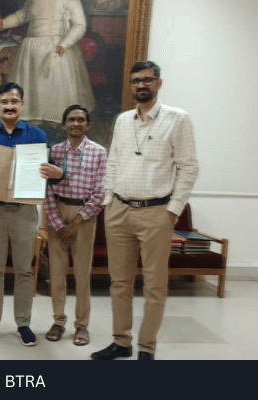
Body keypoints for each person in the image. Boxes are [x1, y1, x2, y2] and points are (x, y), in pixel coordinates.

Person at [90, 61, 198, 361]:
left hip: (156, 212)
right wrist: (108, 200)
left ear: (158, 83)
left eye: (148, 80)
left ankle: (147, 347)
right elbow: (113, 161)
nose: (141, 85)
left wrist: (173, 210)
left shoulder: (177, 119)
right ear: (130, 84)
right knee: (119, 282)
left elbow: (189, 168)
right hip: (119, 211)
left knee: (154, 285)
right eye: (136, 80)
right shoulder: (123, 120)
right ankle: (121, 341)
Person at [0, 82, 63, 347]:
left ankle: (24, 324)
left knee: (24, 271)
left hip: (24, 212)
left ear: (22, 105)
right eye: (4, 102)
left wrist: (55, 172)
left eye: (14, 101)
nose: (9, 106)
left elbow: (47, 170)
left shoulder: (37, 135)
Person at [42, 104, 106, 346]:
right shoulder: (55, 151)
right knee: (57, 275)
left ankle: (82, 326)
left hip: (84, 217)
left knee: (82, 274)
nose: (76, 123)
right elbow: (46, 189)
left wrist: (77, 222)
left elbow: (101, 191)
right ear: (64, 124)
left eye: (81, 119)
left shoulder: (99, 152)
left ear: (88, 125)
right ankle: (58, 321)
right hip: (57, 214)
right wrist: (58, 224)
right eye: (71, 119)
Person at [0, 0, 95, 124]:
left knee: (54, 86)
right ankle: (35, 118)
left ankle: (55, 120)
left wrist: (64, 44)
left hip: (56, 48)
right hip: (31, 49)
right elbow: (21, 16)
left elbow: (79, 25)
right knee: (32, 85)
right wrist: (4, 23)